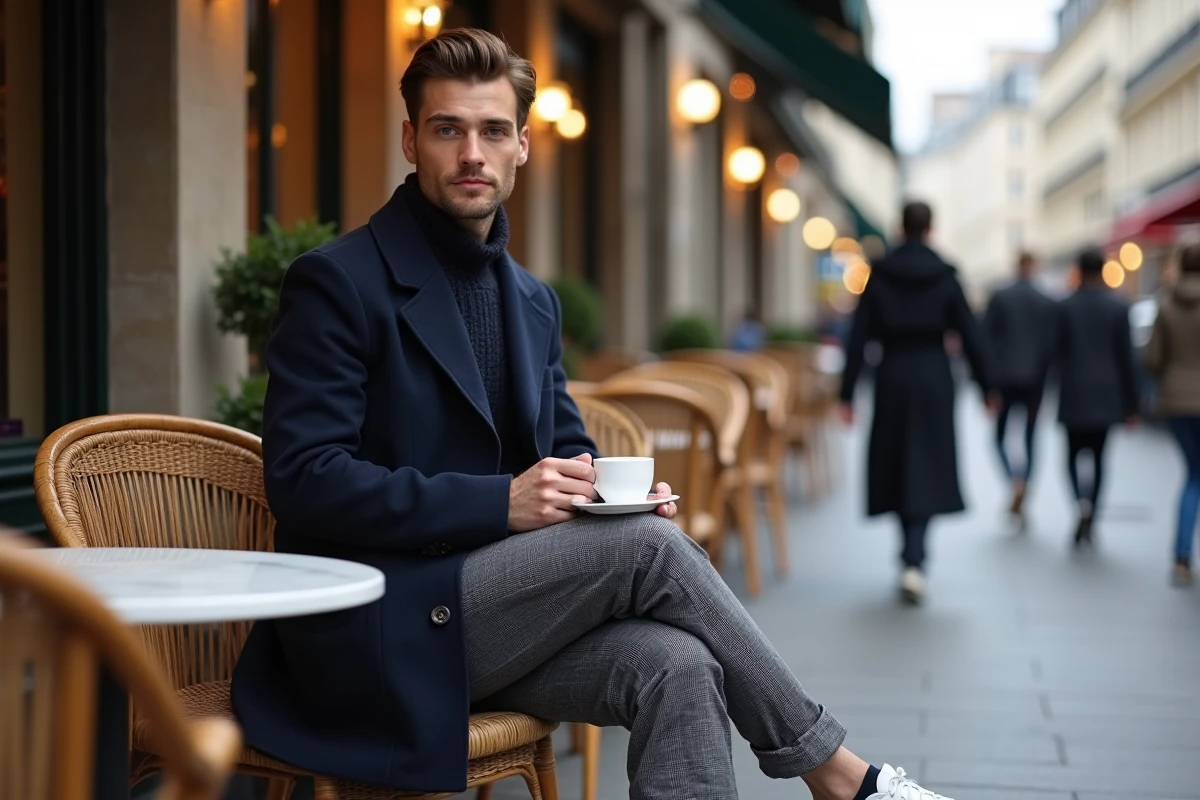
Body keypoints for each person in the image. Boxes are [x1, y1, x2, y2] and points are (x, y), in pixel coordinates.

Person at [230, 27, 954, 800]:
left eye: (492, 131)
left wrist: (618, 500)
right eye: (448, 129)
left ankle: (833, 773)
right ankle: (836, 772)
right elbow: (305, 480)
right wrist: (500, 503)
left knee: (681, 664)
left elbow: (569, 451)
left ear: (523, 147)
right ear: (411, 140)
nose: (472, 153)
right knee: (650, 551)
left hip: (489, 622)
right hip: (380, 624)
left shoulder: (533, 302)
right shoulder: (338, 282)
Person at [838, 202, 992, 605]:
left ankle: (908, 555)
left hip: (891, 375)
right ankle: (916, 558)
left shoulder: (879, 275)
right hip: (934, 377)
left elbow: (858, 336)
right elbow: (971, 335)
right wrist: (989, 386)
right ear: (931, 229)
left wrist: (847, 393)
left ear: (899, 227)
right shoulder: (946, 277)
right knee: (927, 461)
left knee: (896, 461)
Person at [1053, 247, 1139, 547]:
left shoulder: (1064, 306)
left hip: (1074, 390)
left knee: (1071, 457)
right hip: (1107, 392)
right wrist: (1133, 404)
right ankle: (1093, 511)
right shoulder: (1117, 306)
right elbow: (1127, 358)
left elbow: (1054, 353)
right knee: (1100, 457)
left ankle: (1081, 503)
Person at [983, 251, 1058, 526]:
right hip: (1034, 381)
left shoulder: (1000, 296)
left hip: (1004, 380)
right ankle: (1024, 484)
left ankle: (1014, 481)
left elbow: (986, 341)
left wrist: (987, 385)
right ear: (1034, 266)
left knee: (999, 438)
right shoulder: (1046, 301)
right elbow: (1051, 347)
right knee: (1030, 439)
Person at [1143, 242, 1200, 585]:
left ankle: (1181, 556)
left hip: (1176, 401)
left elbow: (1152, 359)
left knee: (1192, 475)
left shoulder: (1165, 304)